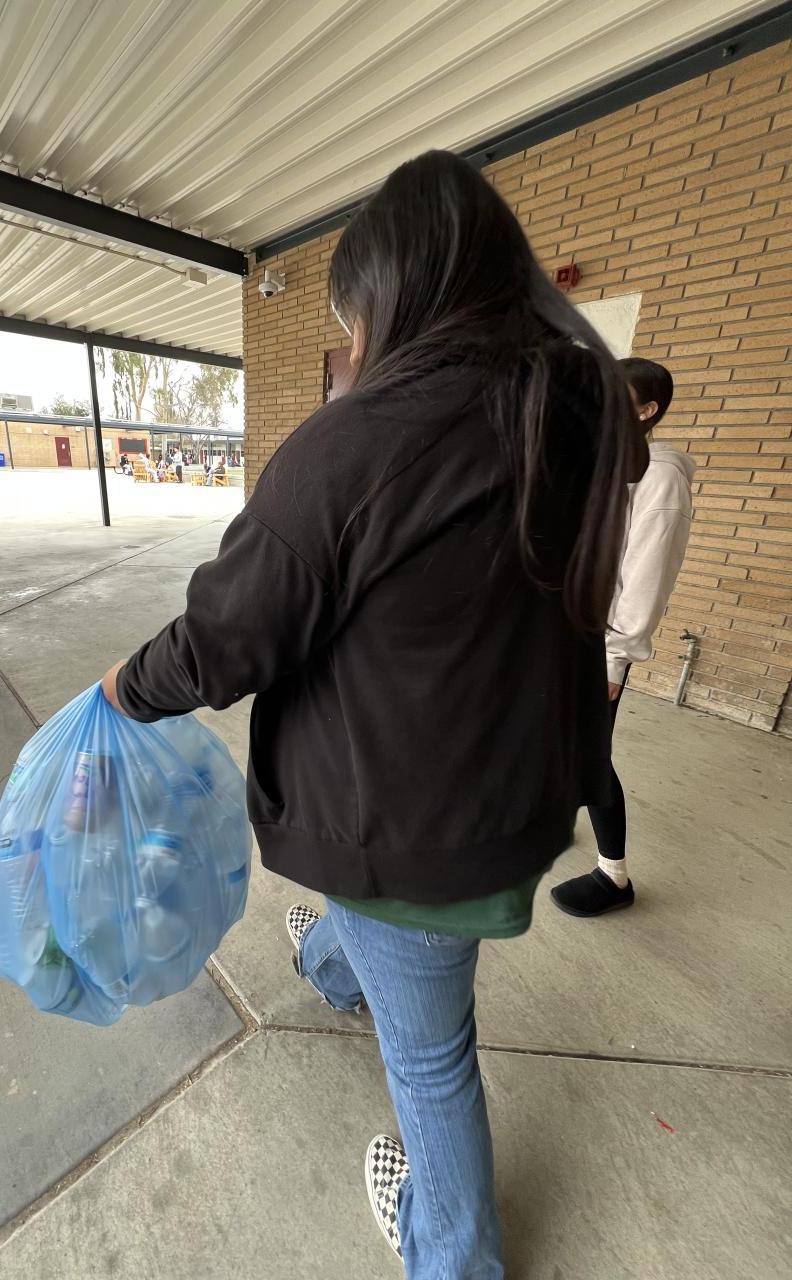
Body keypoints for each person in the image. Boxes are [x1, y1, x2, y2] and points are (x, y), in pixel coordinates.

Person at [99, 150, 644, 1279]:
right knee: (381, 936)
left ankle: (456, 1256)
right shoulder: (568, 422)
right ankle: (333, 962)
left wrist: (122, 688)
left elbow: (225, 637)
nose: (353, 342)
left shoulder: (354, 447)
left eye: (354, 316)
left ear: (394, 301)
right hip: (511, 804)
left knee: (433, 1057)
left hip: (413, 831)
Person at [551, 358, 695, 918]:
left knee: (590, 753)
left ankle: (614, 876)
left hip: (599, 644)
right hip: (563, 632)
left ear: (645, 410)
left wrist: (615, 660)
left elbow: (646, 580)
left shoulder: (660, 479)